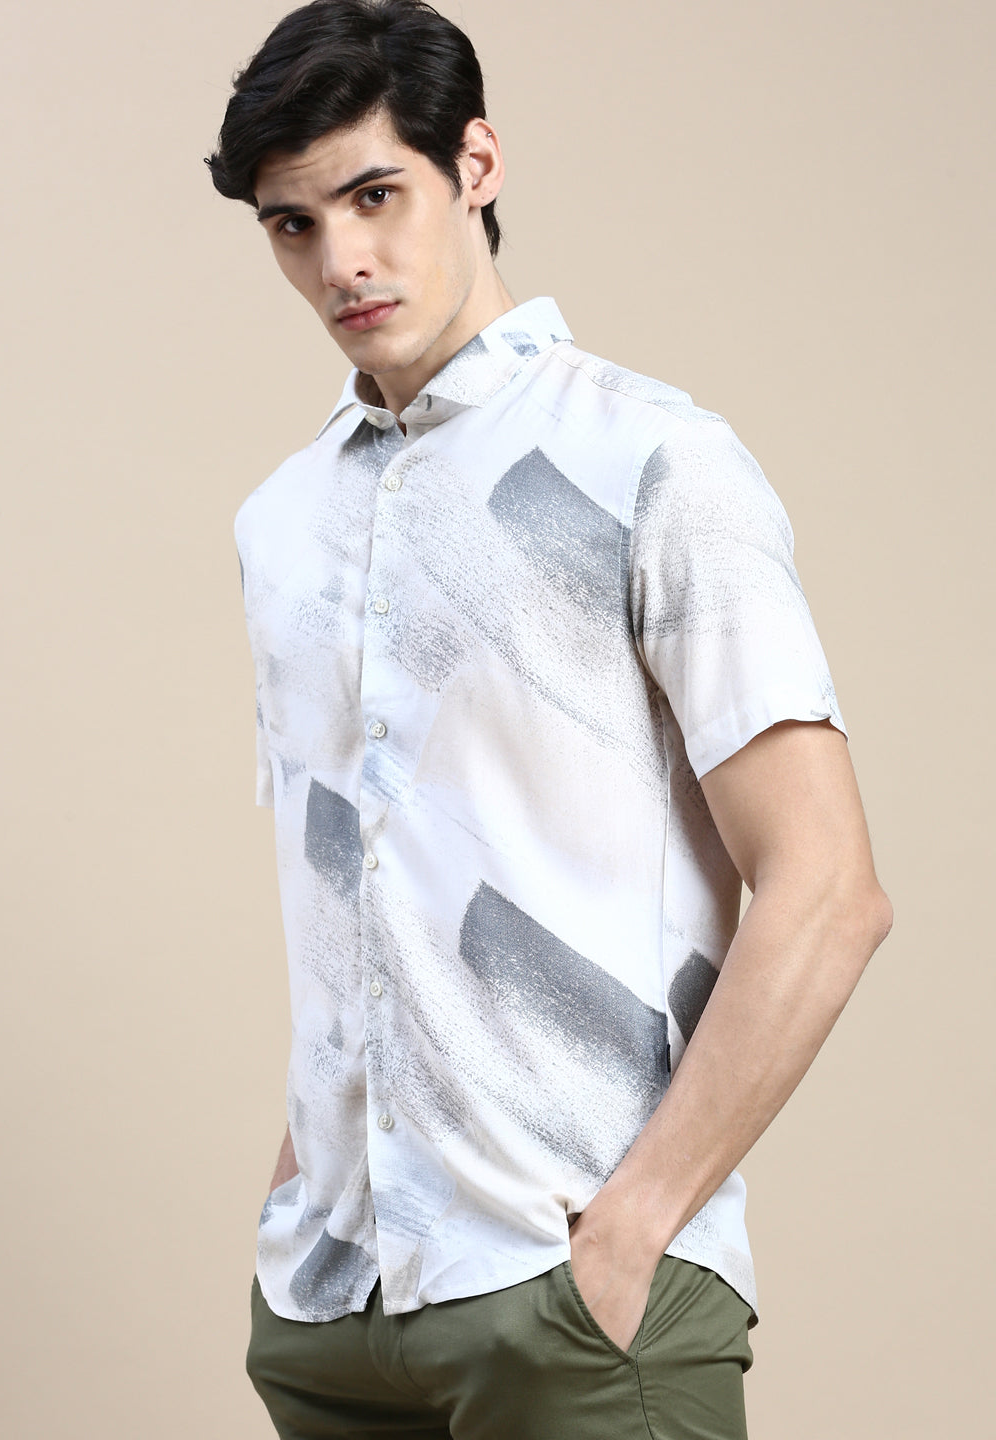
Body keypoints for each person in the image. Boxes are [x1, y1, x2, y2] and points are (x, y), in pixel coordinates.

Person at [206, 2, 892, 1435]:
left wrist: (635, 1230)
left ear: (477, 165)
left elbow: (828, 889)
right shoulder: (282, 525)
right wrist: (294, 1209)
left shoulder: (653, 461)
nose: (340, 262)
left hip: (568, 1289)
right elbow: (356, 901)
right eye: (293, 226)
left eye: (375, 197)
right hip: (335, 1312)